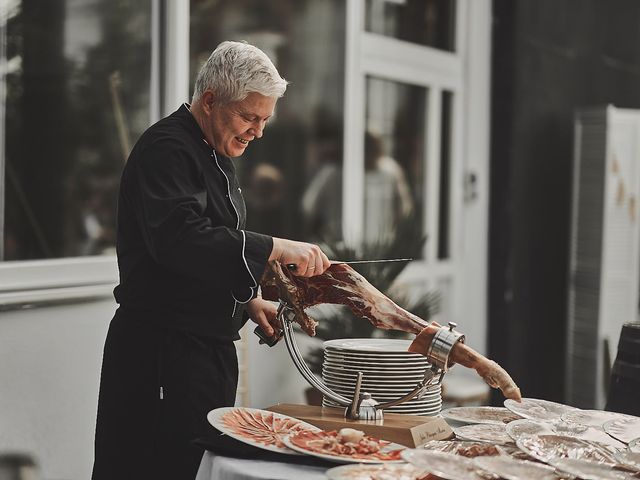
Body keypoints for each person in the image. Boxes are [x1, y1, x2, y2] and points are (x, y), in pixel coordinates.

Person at [91, 41, 331, 480]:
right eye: (249, 117)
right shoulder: (167, 148)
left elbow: (209, 253)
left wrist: (247, 301)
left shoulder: (215, 151)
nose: (257, 132)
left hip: (201, 353)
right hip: (161, 353)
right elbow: (181, 241)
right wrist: (275, 247)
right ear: (209, 101)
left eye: (265, 120)